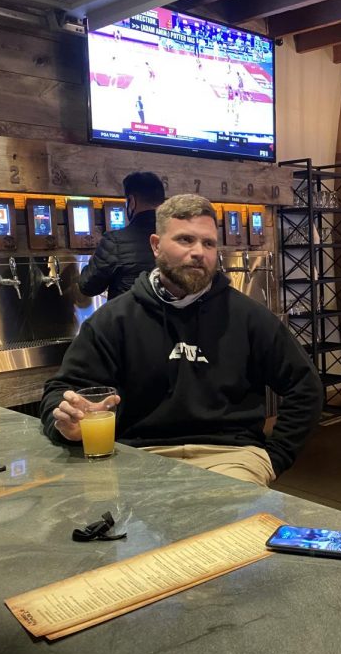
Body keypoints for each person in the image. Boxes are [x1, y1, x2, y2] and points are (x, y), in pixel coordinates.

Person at [42, 194, 322, 486]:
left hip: (230, 456)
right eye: (186, 240)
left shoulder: (249, 316)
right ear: (156, 245)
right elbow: (62, 389)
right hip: (138, 456)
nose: (199, 252)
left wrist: (273, 457)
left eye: (209, 243)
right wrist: (65, 422)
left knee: (225, 528)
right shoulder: (114, 320)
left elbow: (305, 387)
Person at [79, 171, 165, 300]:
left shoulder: (115, 241)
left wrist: (92, 261)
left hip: (127, 318)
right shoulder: (176, 239)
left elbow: (88, 286)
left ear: (131, 202)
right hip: (167, 318)